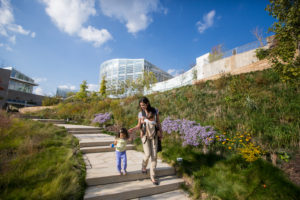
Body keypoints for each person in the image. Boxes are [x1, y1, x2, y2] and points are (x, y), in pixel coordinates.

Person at [128, 97, 162, 185]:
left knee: (154, 156)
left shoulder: (155, 111)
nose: (142, 106)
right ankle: (144, 166)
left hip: (154, 135)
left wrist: (161, 133)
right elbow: (139, 125)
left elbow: (158, 122)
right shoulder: (140, 114)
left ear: (147, 103)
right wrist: (133, 129)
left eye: (143, 105)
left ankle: (153, 176)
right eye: (141, 105)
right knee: (147, 154)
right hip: (145, 136)